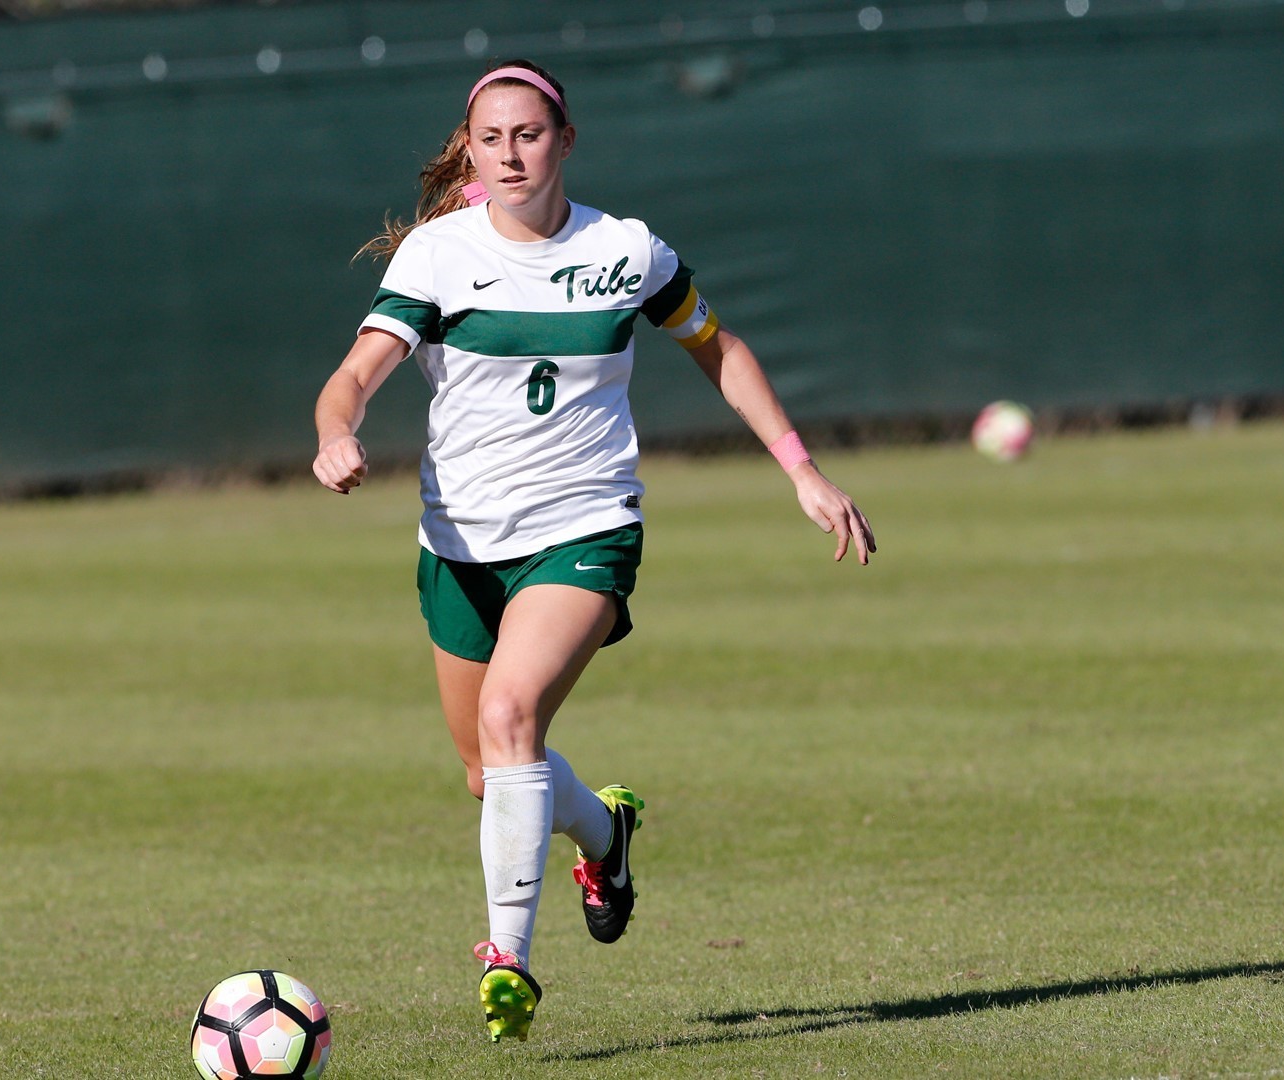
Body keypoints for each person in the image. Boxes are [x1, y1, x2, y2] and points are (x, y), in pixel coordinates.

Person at [311, 59, 875, 1039]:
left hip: (584, 527)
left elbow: (719, 348)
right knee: (493, 775)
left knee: (512, 711)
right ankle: (604, 832)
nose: (511, 152)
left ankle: (508, 959)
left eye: (529, 134)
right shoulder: (440, 257)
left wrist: (801, 467)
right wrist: (336, 432)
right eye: (492, 138)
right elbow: (352, 377)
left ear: (566, 140)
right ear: (473, 149)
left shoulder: (627, 251)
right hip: (459, 544)